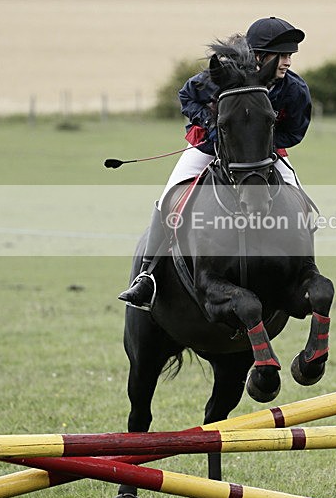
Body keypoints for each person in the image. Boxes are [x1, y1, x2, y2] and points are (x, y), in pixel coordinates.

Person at [118, 16, 312, 309]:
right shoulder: (218, 76)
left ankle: (301, 269)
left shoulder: (294, 89)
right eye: (281, 55)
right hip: (208, 146)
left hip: (260, 156)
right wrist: (213, 127)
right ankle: (147, 276)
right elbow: (187, 96)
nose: (286, 62)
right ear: (259, 56)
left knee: (301, 202)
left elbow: (295, 130)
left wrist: (253, 146)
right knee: (167, 200)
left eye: (290, 56)